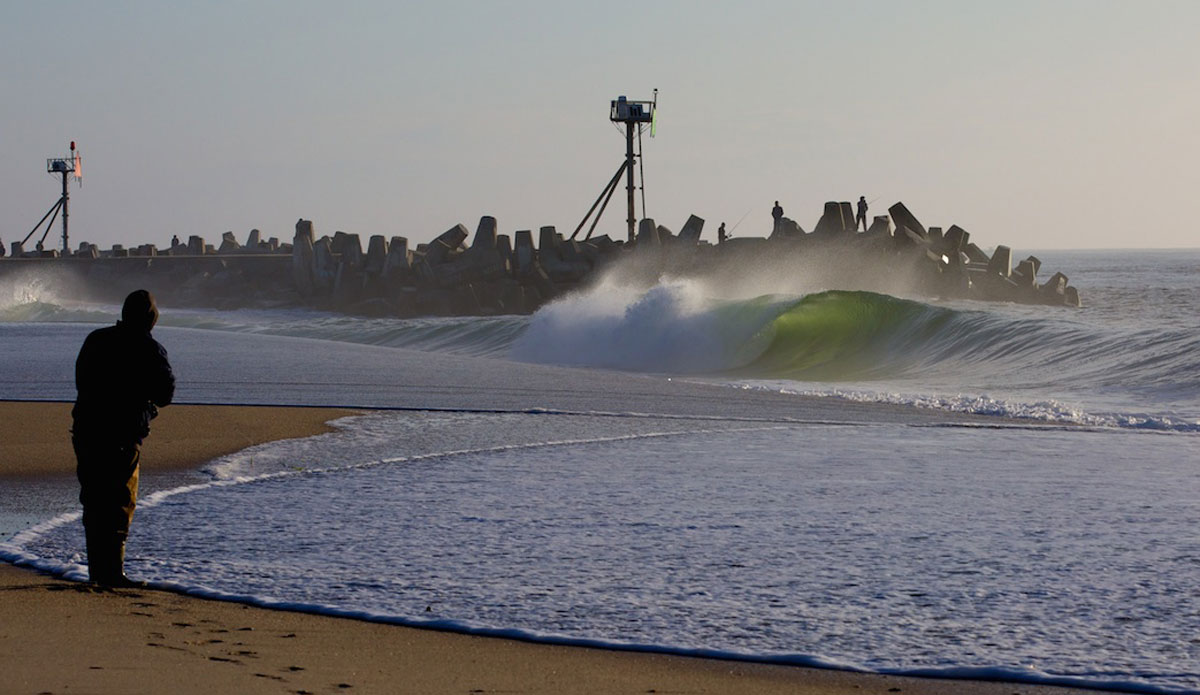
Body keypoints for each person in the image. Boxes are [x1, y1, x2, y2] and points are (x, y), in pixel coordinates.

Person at [72, 289, 175, 587]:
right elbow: (166, 394)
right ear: (150, 319)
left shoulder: (96, 339)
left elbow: (81, 380)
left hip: (86, 430)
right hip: (122, 435)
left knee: (94, 500)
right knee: (119, 501)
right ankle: (112, 573)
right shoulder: (149, 348)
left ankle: (98, 572)